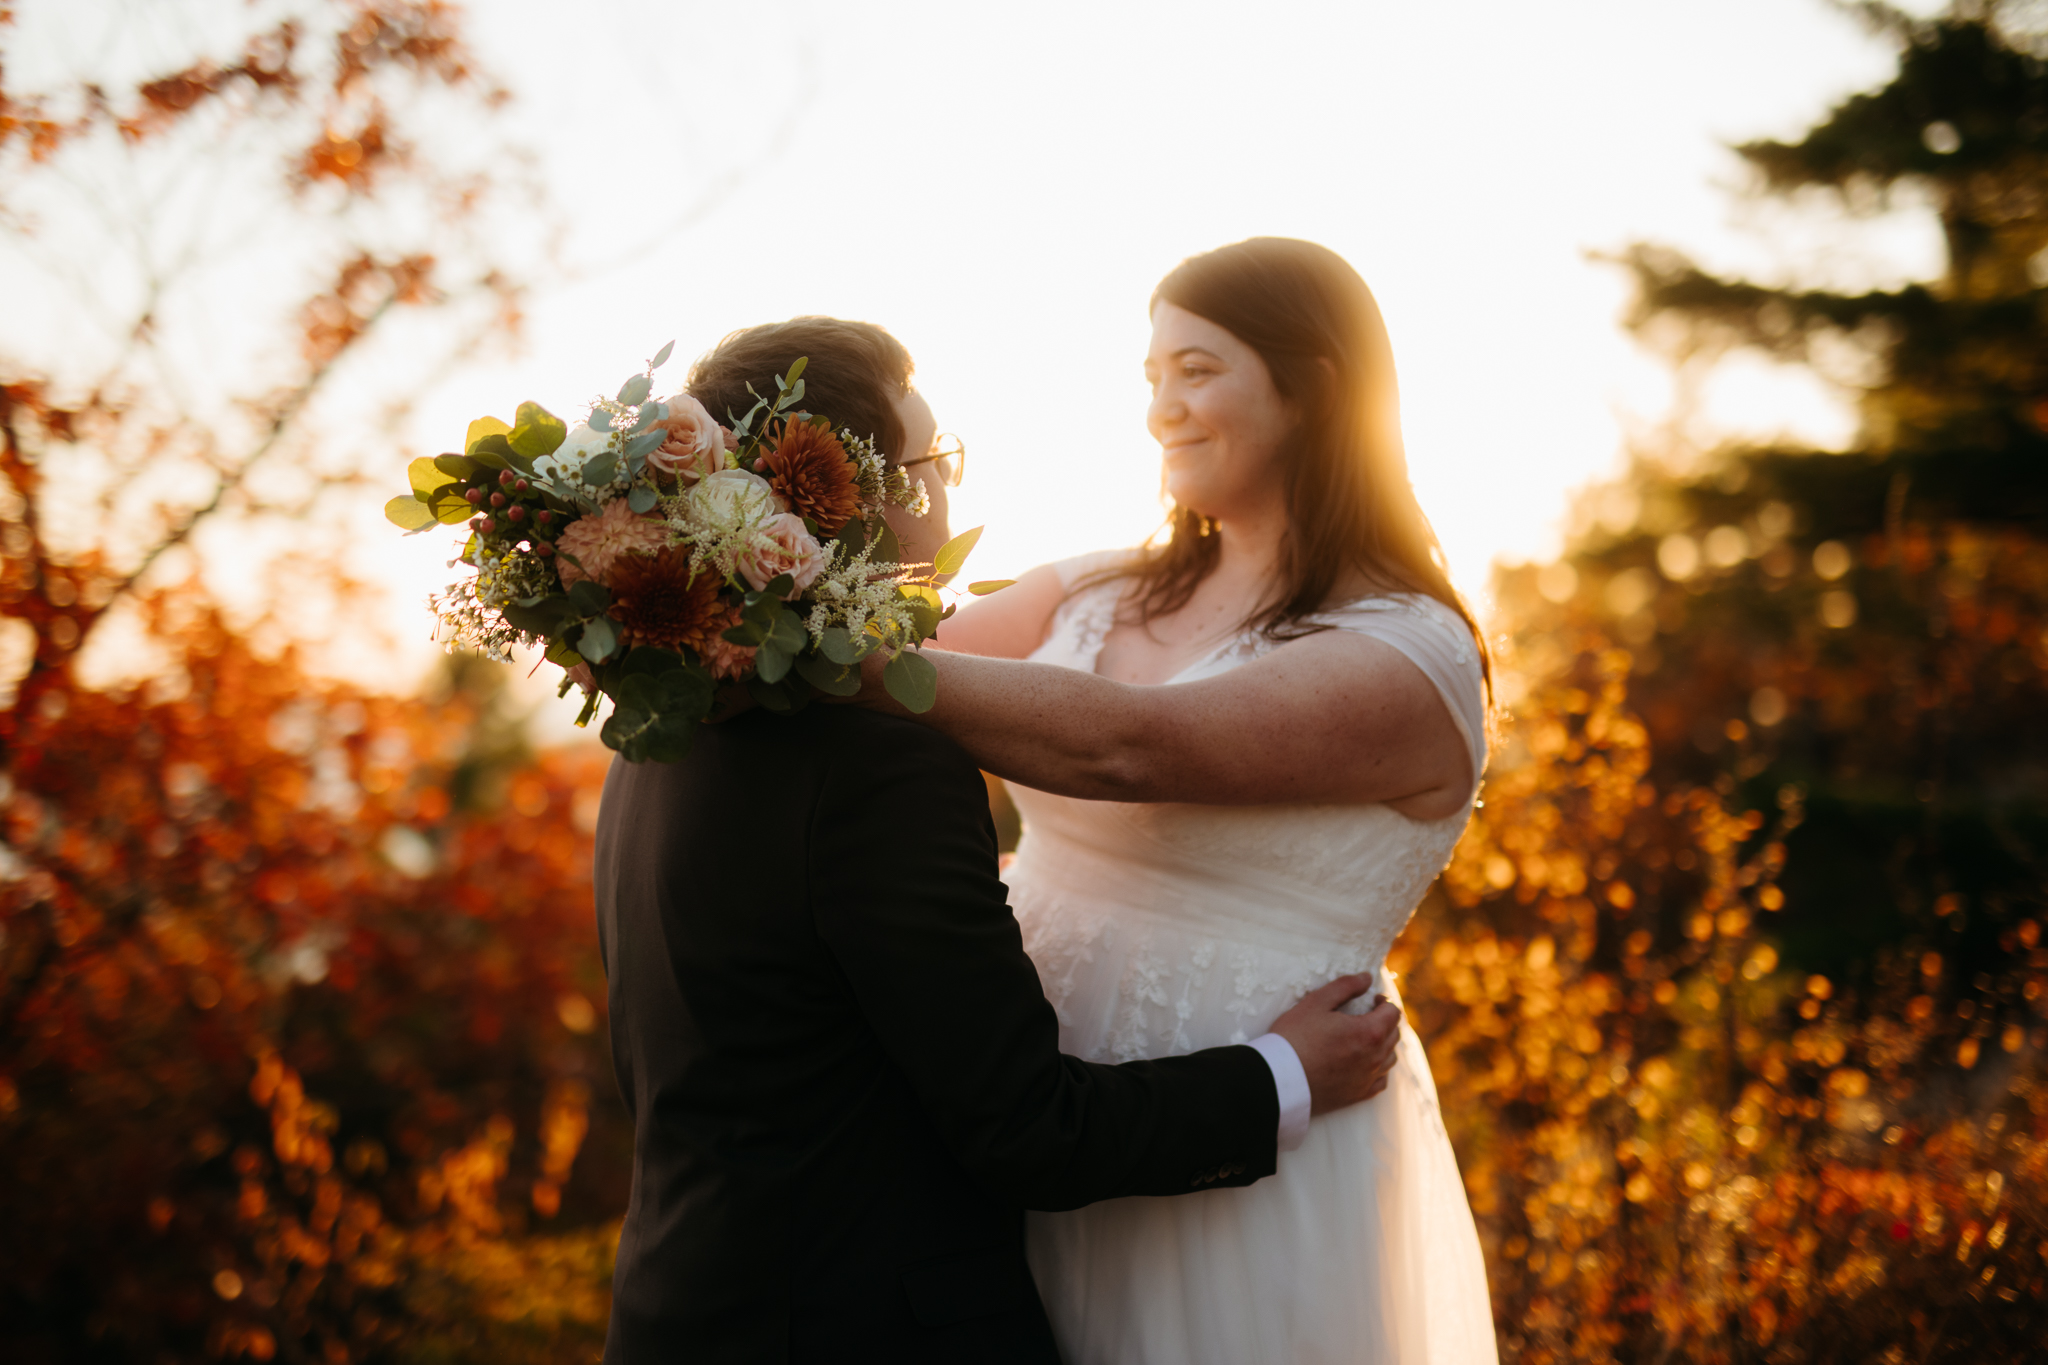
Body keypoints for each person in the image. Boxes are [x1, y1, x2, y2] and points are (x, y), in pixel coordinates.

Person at [592, 315, 1408, 1364]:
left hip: (683, 1306)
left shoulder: (661, 722)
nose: (951, 493)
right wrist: (1284, 1073)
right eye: (935, 463)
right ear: (837, 493)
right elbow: (1029, 1134)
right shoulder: (882, 757)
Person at [870, 240, 1501, 1363]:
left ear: (1312, 387)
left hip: (1249, 1161)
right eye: (1151, 376)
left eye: (1196, 370)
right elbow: (910, 669)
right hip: (1023, 1118)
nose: (1162, 409)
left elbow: (1133, 750)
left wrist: (813, 653)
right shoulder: (1097, 583)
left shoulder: (1410, 657)